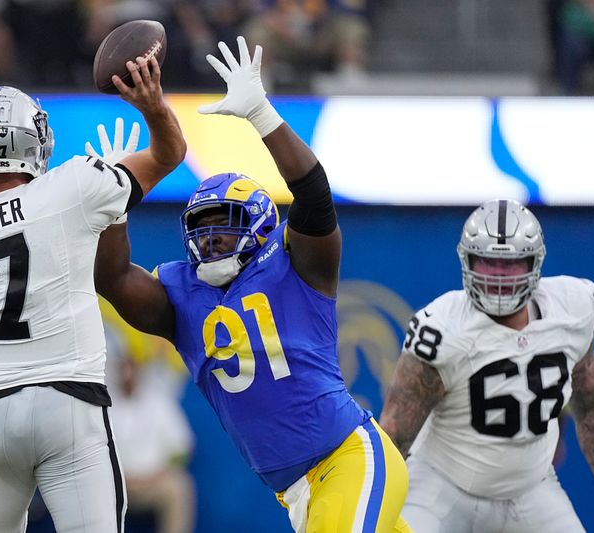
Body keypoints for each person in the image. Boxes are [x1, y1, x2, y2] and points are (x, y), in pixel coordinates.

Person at [94, 36, 411, 533]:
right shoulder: (181, 294)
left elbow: (313, 195)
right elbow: (111, 278)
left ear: (260, 225)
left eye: (224, 225)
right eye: (202, 228)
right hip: (296, 492)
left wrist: (262, 115)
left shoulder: (297, 264)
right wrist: (113, 200)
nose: (212, 239)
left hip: (348, 458)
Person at [0, 56, 186, 533]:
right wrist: (153, 106)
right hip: (70, 404)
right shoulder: (75, 187)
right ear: (35, 141)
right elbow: (169, 153)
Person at [378, 200, 594, 533]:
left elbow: (589, 403)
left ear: (535, 263)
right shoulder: (442, 330)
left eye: (512, 265)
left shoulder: (572, 309)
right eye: (487, 263)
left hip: (532, 488)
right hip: (441, 487)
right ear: (467, 260)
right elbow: (394, 436)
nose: (499, 277)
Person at [109, 356, 195, 533]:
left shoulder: (159, 403)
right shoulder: (104, 405)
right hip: (114, 484)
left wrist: (160, 473)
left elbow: (182, 448)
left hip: (153, 481)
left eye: (132, 369)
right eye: (123, 370)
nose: (128, 375)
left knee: (179, 487)